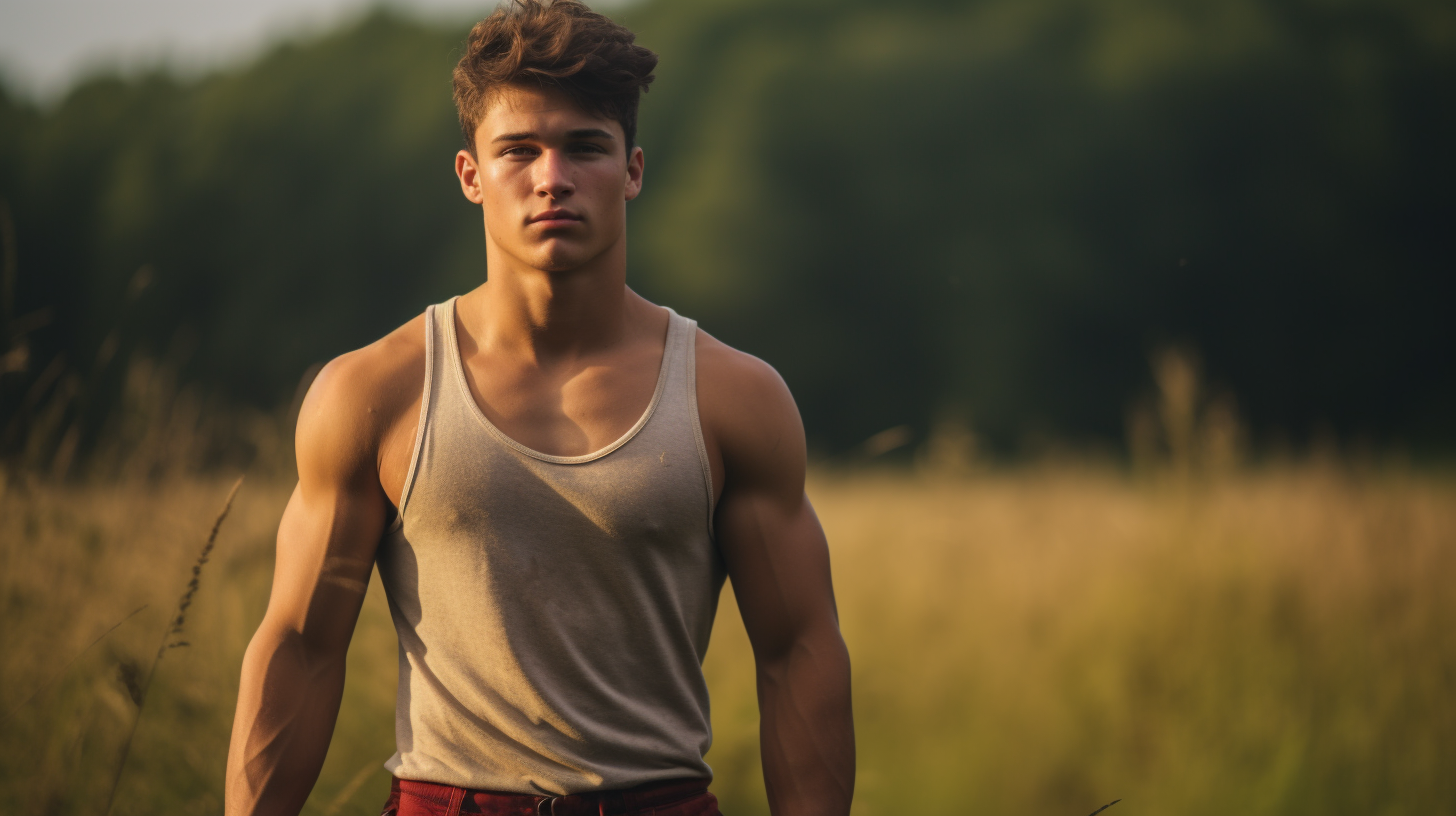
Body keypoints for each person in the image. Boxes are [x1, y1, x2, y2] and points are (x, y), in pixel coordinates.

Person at [224, 2, 854, 815]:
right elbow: (301, 649)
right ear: (471, 174)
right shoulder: (374, 393)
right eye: (518, 150)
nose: (551, 177)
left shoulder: (733, 397)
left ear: (631, 169)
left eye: (585, 147)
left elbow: (799, 650)